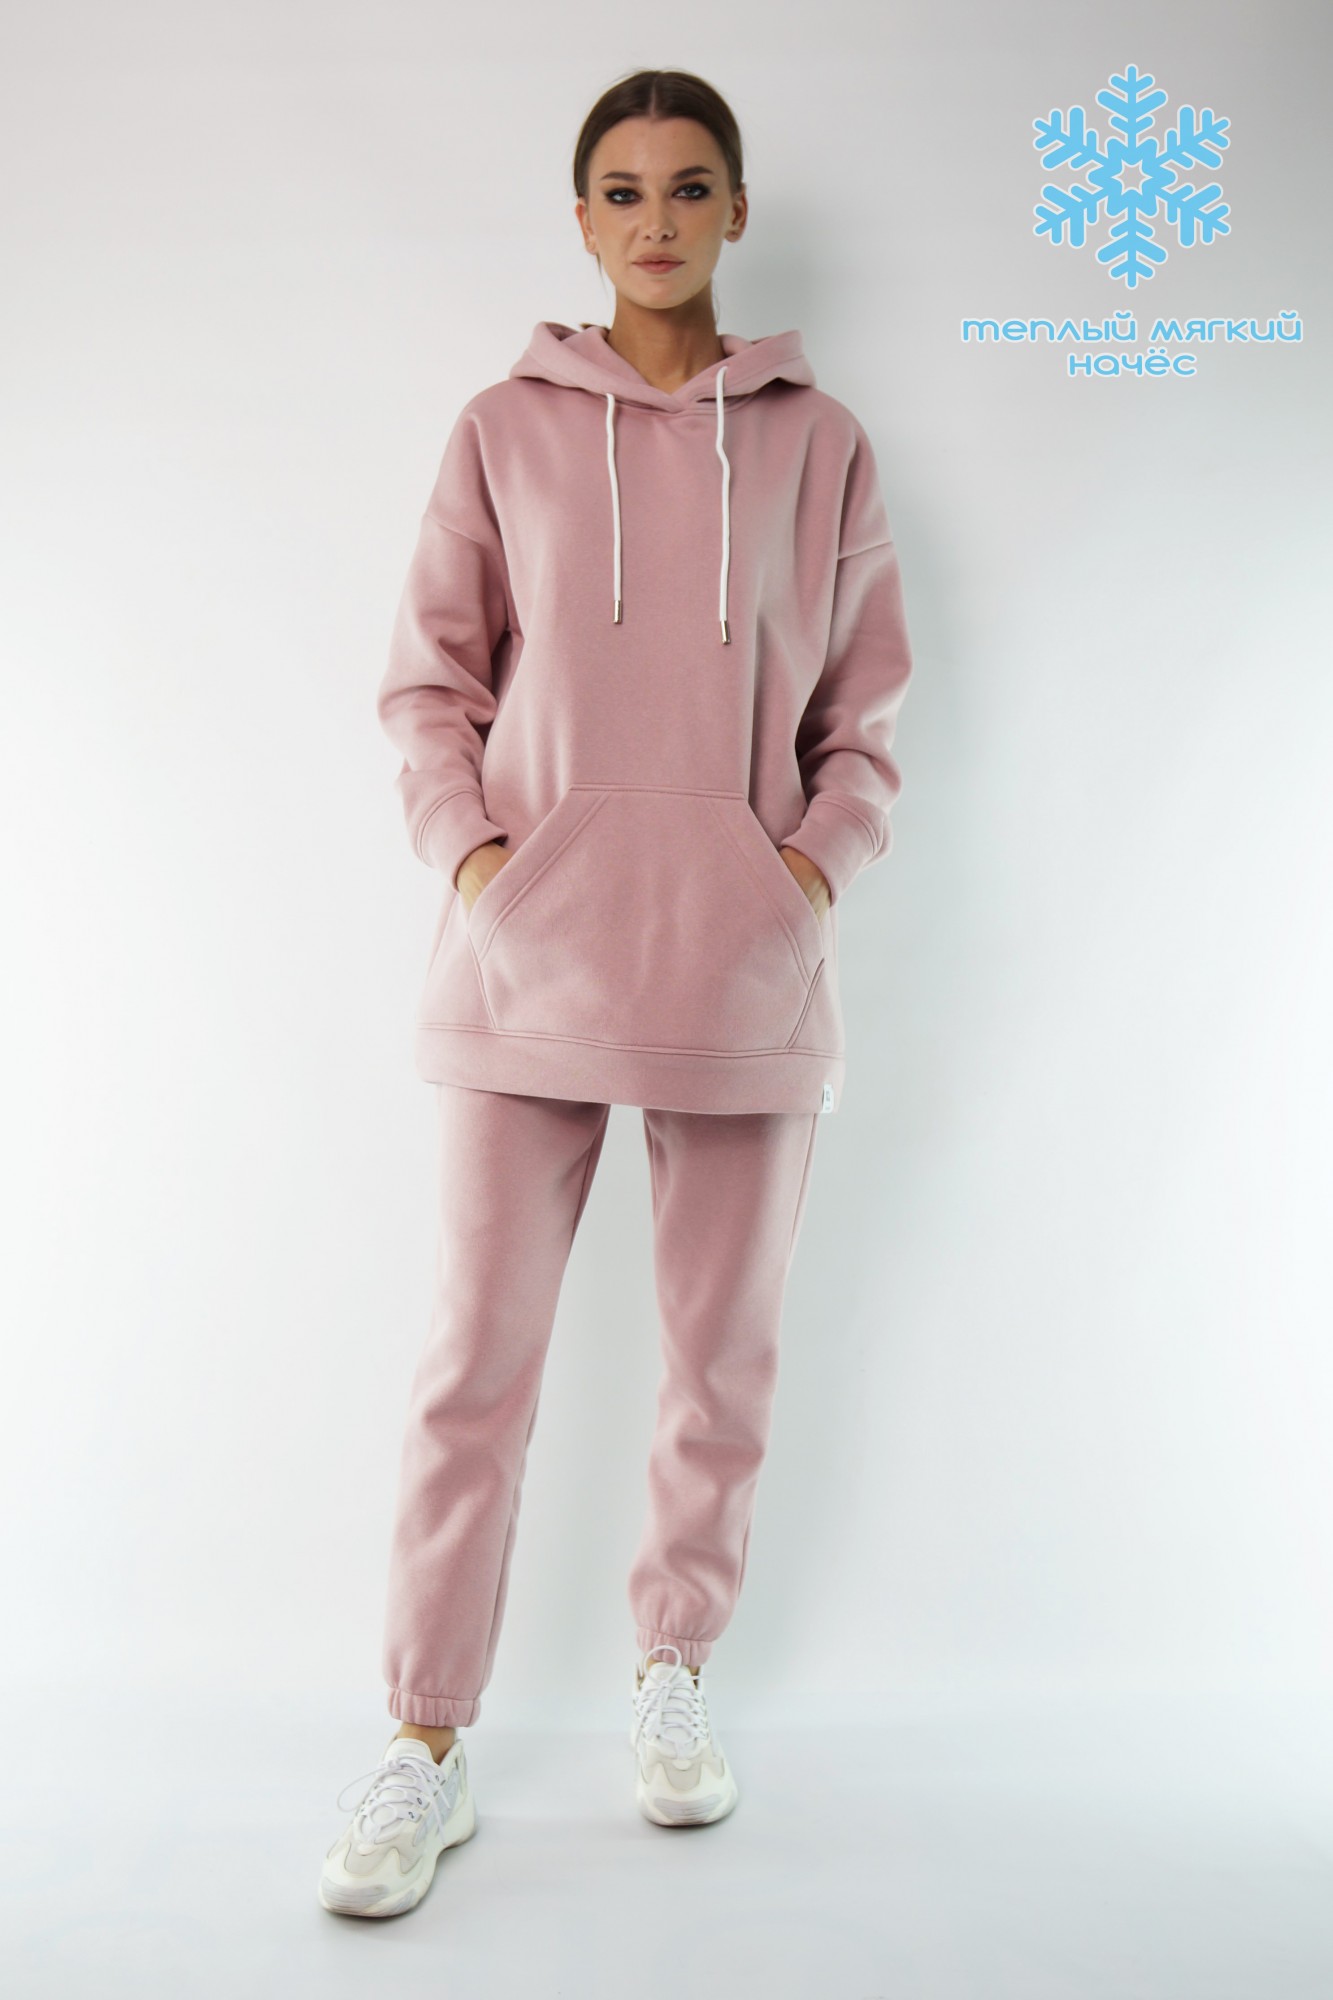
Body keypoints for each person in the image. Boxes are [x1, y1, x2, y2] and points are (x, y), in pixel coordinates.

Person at [318, 66, 914, 1919]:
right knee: (472, 1370)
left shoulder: (820, 445)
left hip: (742, 970)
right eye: (623, 190)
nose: (656, 219)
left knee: (718, 1362)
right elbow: (428, 686)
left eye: (689, 185)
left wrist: (800, 879)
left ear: (735, 210)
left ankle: (673, 1674)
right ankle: (423, 1743)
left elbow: (865, 720)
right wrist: (484, 872)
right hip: (529, 964)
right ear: (580, 220)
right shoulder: (503, 427)